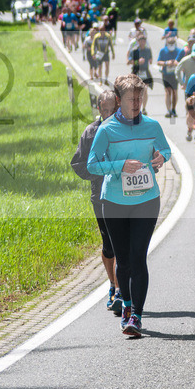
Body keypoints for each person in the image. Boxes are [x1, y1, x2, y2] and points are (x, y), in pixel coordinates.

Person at [87, 75, 171, 338]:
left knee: (138, 258)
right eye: (130, 99)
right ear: (118, 100)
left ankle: (136, 314)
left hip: (146, 199)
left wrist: (160, 158)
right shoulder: (107, 130)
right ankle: (125, 306)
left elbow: (166, 151)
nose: (136, 103)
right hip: (114, 201)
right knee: (123, 261)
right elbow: (92, 165)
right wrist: (119, 166)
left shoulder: (152, 125)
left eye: (139, 98)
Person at [71, 91, 123, 314]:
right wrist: (99, 175)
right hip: (100, 196)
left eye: (112, 109)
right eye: (104, 109)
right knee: (109, 245)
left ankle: (121, 291)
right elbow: (78, 163)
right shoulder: (90, 132)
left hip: (124, 195)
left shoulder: (125, 130)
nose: (108, 113)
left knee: (122, 244)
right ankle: (112, 284)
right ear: (99, 108)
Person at [177, 43, 195, 141]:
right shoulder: (186, 60)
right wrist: (182, 82)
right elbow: (177, 70)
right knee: (190, 112)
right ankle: (189, 130)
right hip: (189, 90)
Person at [157, 34, 182, 118]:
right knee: (168, 92)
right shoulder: (163, 51)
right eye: (170, 44)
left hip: (175, 75)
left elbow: (182, 62)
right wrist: (166, 63)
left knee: (174, 92)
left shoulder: (179, 51)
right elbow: (158, 62)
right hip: (166, 74)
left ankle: (173, 109)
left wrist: (176, 63)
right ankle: (168, 110)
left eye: (173, 44)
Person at [129, 34, 153, 114]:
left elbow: (150, 58)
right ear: (138, 42)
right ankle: (135, 107)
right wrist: (137, 61)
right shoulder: (134, 50)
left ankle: (144, 108)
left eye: (143, 41)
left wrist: (150, 60)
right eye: (140, 41)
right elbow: (129, 61)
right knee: (136, 91)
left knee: (145, 89)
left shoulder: (148, 50)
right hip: (136, 71)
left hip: (145, 71)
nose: (142, 42)